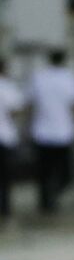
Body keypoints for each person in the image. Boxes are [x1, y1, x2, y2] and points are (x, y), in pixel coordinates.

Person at [27, 49, 74, 214]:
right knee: (65, 173)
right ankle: (50, 199)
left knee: (44, 172)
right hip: (63, 132)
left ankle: (47, 200)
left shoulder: (39, 77)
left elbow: (30, 104)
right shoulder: (69, 78)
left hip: (43, 131)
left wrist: (27, 126)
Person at [0, 58, 27, 219]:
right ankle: (5, 208)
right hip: (5, 136)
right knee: (5, 176)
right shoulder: (8, 87)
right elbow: (15, 110)